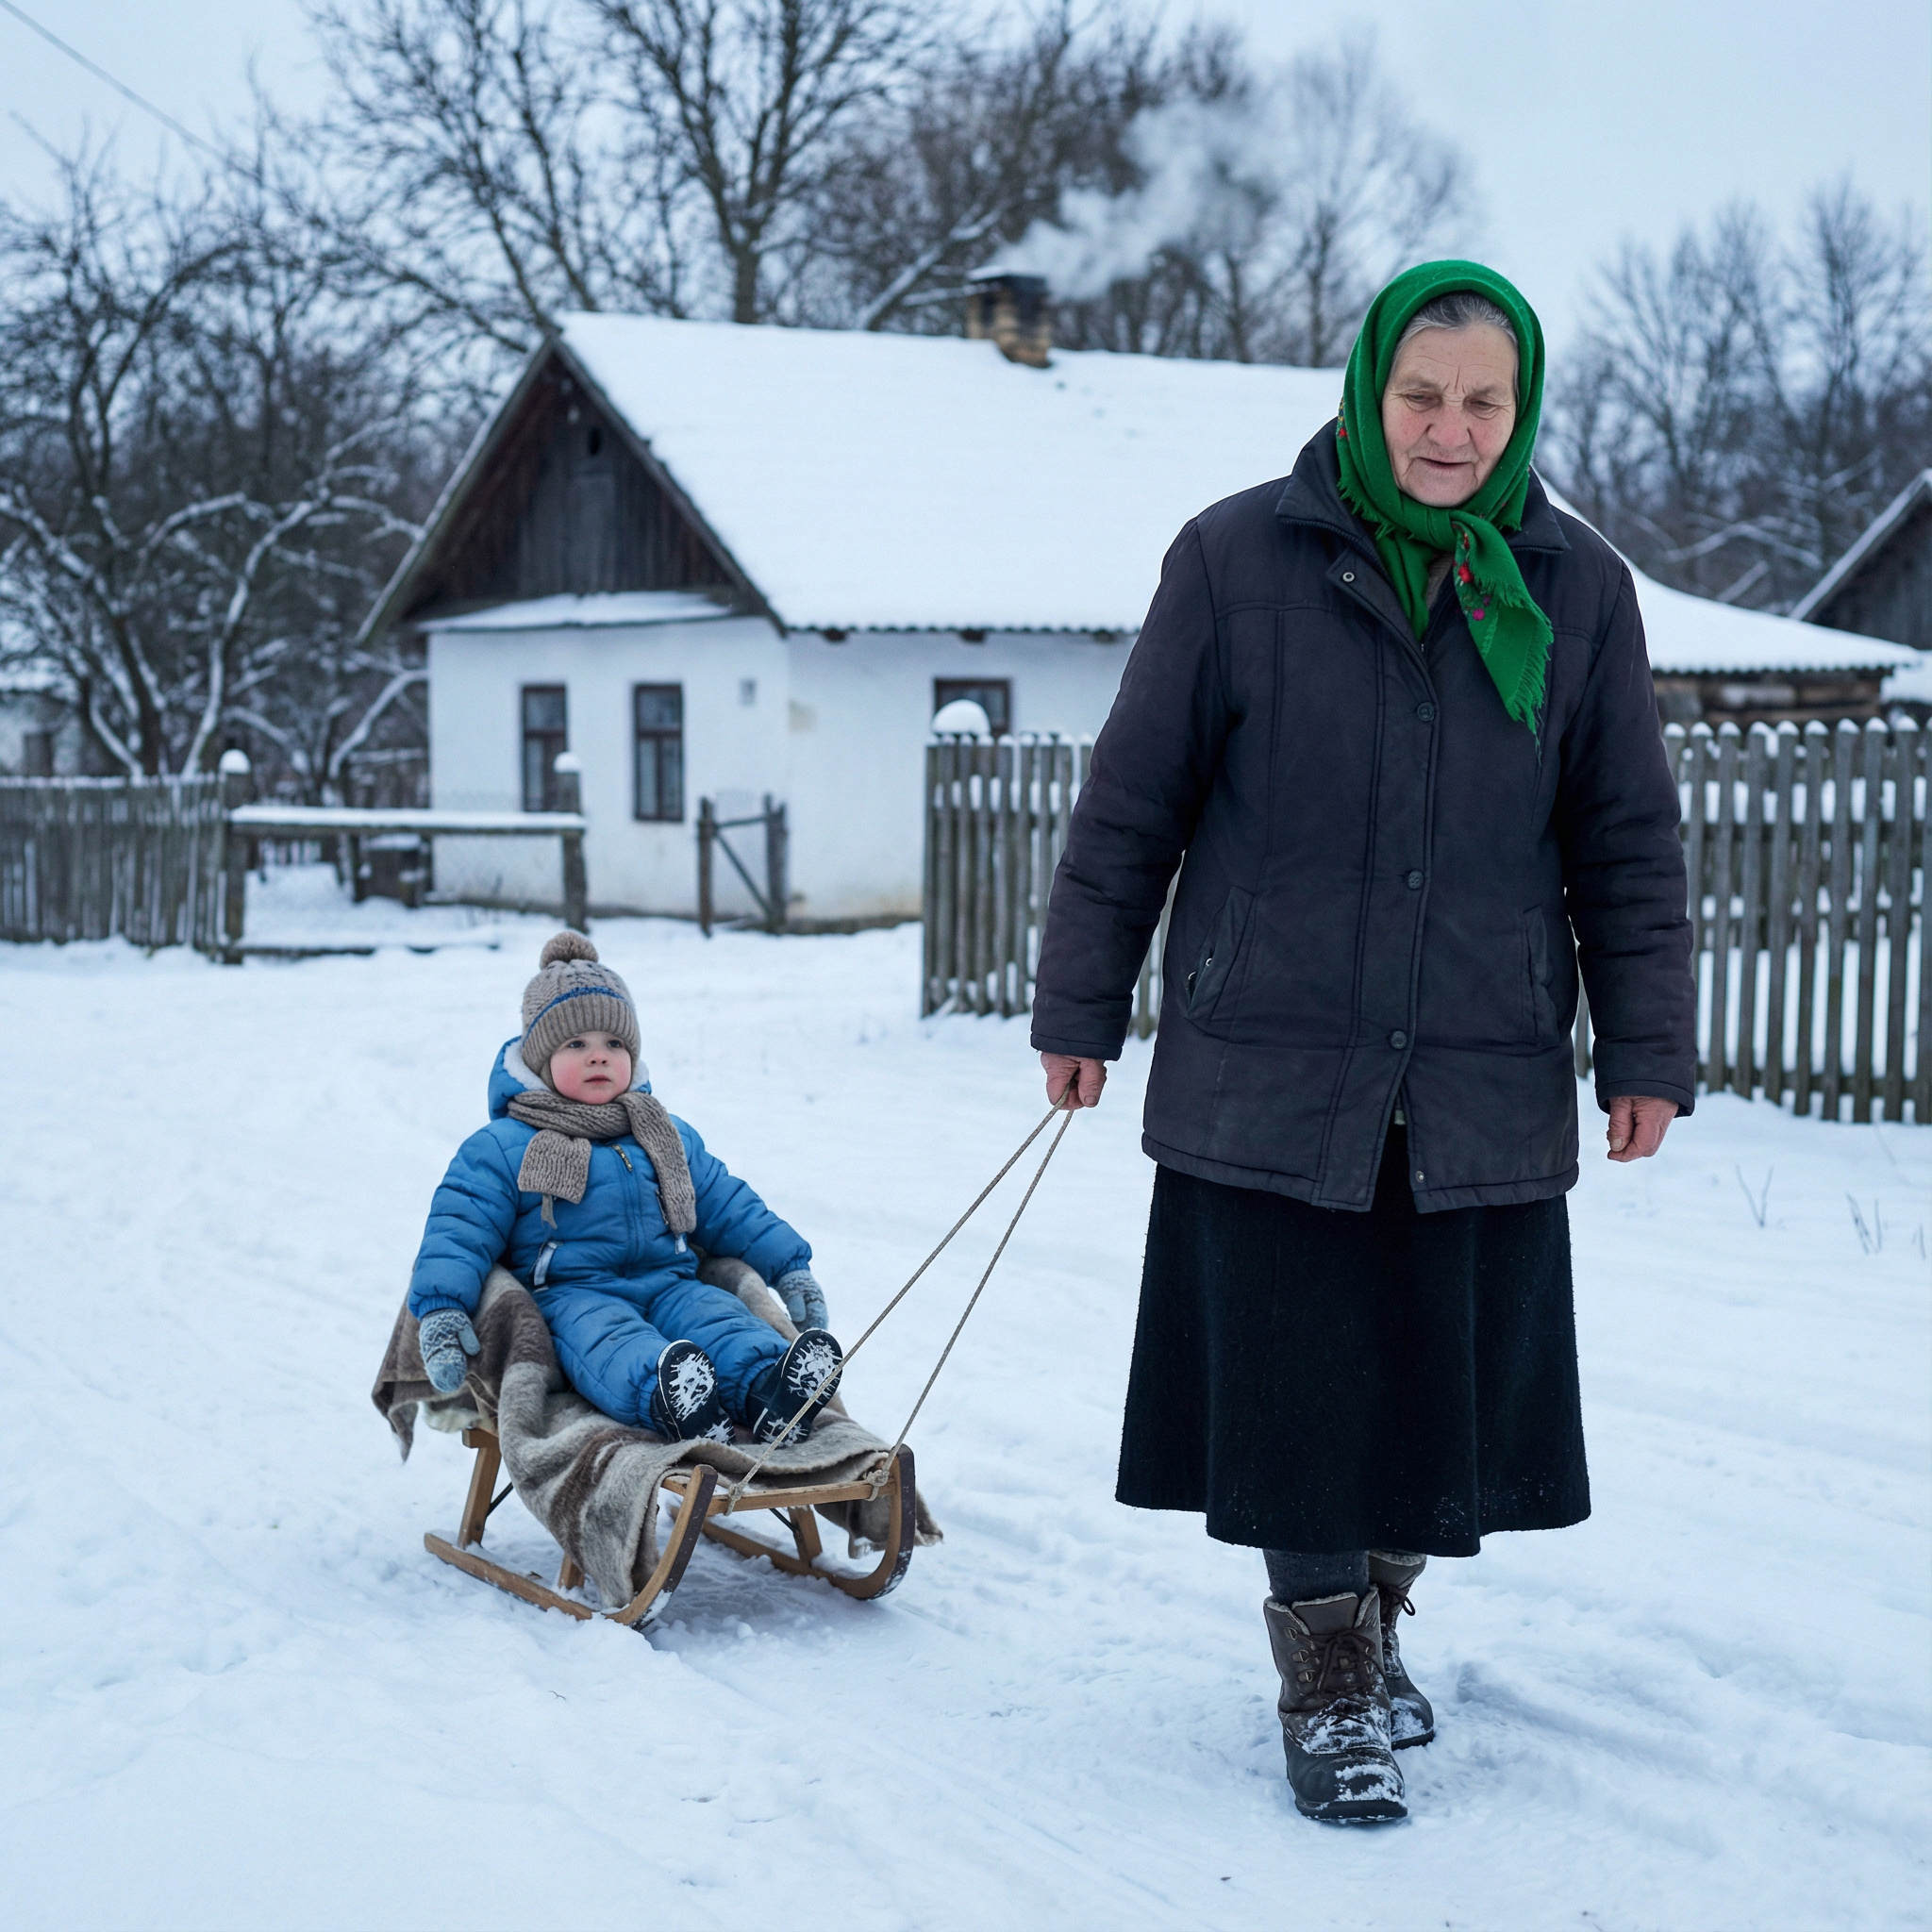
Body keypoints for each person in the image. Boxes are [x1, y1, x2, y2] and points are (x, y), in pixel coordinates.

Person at [1029, 261, 1694, 1825]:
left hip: (1477, 1058)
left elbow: (1623, 839)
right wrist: (1077, 1004)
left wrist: (1643, 1046)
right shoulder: (1233, 559)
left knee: (1435, 1374)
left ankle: (1378, 1615)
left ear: (1517, 408)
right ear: (1365, 390)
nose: (1448, 429)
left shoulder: (1573, 588)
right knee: (1297, 1378)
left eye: (1482, 400)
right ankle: (1321, 1661)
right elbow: (1130, 805)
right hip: (1270, 1056)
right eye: (1420, 395)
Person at [408, 932, 842, 1445]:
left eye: (614, 1044)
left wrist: (789, 1266)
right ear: (540, 1060)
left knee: (721, 1321)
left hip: (670, 1283)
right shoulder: (504, 1145)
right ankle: (675, 1402)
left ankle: (774, 1393)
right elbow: (458, 1228)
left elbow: (728, 1203)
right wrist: (441, 1308)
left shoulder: (663, 1132)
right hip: (574, 1296)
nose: (599, 1057)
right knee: (614, 1344)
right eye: (577, 1044)